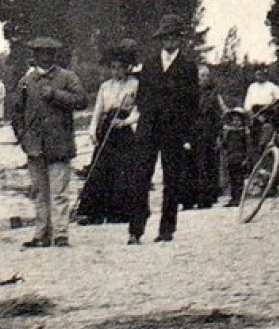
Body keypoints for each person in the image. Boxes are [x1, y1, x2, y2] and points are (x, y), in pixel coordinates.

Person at [12, 36, 88, 248]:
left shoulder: (67, 77)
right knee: (39, 192)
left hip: (59, 143)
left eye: (48, 53)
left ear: (54, 55)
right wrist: (21, 136)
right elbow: (16, 111)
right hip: (35, 145)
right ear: (34, 55)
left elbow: (82, 101)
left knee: (59, 192)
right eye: (39, 53)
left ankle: (61, 233)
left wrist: (56, 95)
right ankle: (41, 233)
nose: (44, 57)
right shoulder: (26, 82)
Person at [130, 15, 200, 243]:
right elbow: (141, 97)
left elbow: (193, 102)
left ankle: (167, 229)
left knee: (172, 180)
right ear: (161, 40)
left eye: (174, 37)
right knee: (141, 177)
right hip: (149, 128)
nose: (170, 41)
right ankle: (136, 229)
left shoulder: (188, 67)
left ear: (180, 39)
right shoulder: (149, 65)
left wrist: (186, 132)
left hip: (174, 130)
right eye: (166, 37)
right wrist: (151, 113)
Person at [73, 39, 148, 227]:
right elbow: (98, 109)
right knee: (100, 167)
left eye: (119, 68)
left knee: (123, 169)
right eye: (112, 68)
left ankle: (121, 212)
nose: (115, 72)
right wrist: (92, 129)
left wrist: (126, 121)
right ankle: (94, 213)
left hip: (123, 130)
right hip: (107, 128)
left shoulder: (135, 84)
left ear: (127, 67)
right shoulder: (105, 86)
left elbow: (140, 110)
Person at [189, 71, 227, 208]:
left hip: (209, 132)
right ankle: (193, 197)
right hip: (194, 133)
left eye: (206, 76)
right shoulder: (191, 94)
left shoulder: (213, 95)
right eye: (200, 76)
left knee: (209, 164)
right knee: (194, 164)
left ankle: (207, 197)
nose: (203, 79)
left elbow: (219, 114)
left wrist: (218, 134)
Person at [220, 108, 253, 207]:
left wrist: (246, 158)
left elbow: (248, 146)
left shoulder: (244, 133)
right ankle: (234, 198)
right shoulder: (230, 133)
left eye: (238, 121)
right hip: (231, 158)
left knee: (239, 180)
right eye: (234, 120)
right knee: (232, 179)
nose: (236, 123)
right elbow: (224, 145)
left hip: (240, 159)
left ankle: (239, 198)